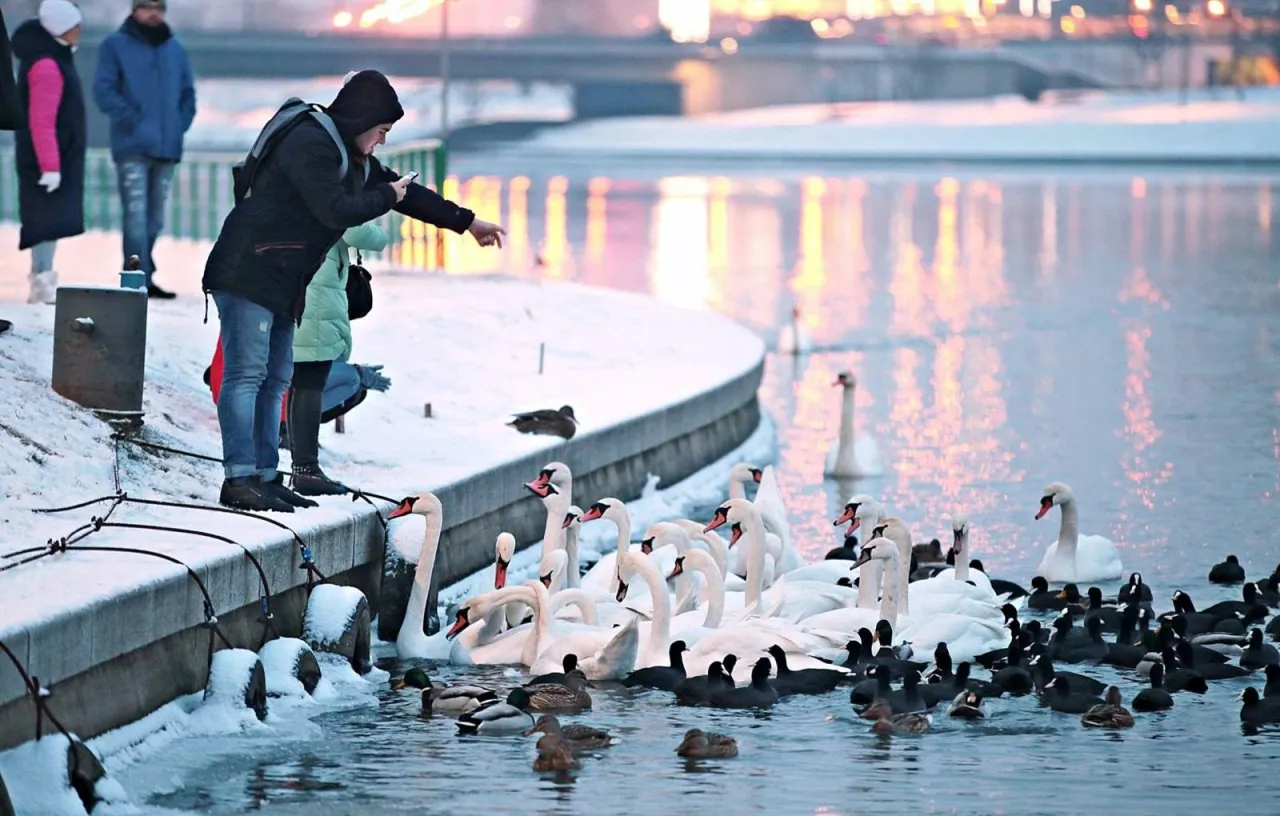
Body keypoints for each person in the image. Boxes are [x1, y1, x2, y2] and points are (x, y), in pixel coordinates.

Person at [201, 69, 505, 512]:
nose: (381, 142)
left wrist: (467, 222)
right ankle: (239, 479)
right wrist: (385, 194)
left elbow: (408, 194)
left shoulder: (348, 154)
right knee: (246, 376)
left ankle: (266, 476)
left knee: (275, 380)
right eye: (381, 132)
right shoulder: (310, 142)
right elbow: (333, 210)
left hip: (284, 277)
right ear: (363, 120)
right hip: (247, 269)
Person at [92, 0, 195, 300]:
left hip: (167, 147)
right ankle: (135, 280)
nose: (154, 13)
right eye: (147, 6)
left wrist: (179, 124)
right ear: (134, 10)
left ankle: (145, 277)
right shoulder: (114, 45)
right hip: (132, 147)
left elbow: (188, 94)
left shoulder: (175, 49)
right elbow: (104, 91)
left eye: (159, 7)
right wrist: (133, 121)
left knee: (155, 220)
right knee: (135, 218)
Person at [287, 219, 388, 495]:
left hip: (306, 289)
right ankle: (306, 470)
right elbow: (363, 233)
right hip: (315, 296)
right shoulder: (325, 179)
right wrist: (381, 208)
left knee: (302, 383)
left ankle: (300, 467)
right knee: (308, 383)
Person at [12, 0, 85, 306]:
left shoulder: (51, 57)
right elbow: (42, 121)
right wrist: (50, 166)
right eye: (74, 27)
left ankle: (43, 276)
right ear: (60, 29)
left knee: (49, 220)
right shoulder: (47, 65)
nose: (79, 32)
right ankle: (41, 279)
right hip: (47, 159)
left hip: (52, 155)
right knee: (45, 221)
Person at [204, 342, 391, 448]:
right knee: (351, 380)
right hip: (268, 397)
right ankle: (289, 426)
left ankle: (287, 425)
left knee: (350, 380)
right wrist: (357, 372)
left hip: (229, 391)